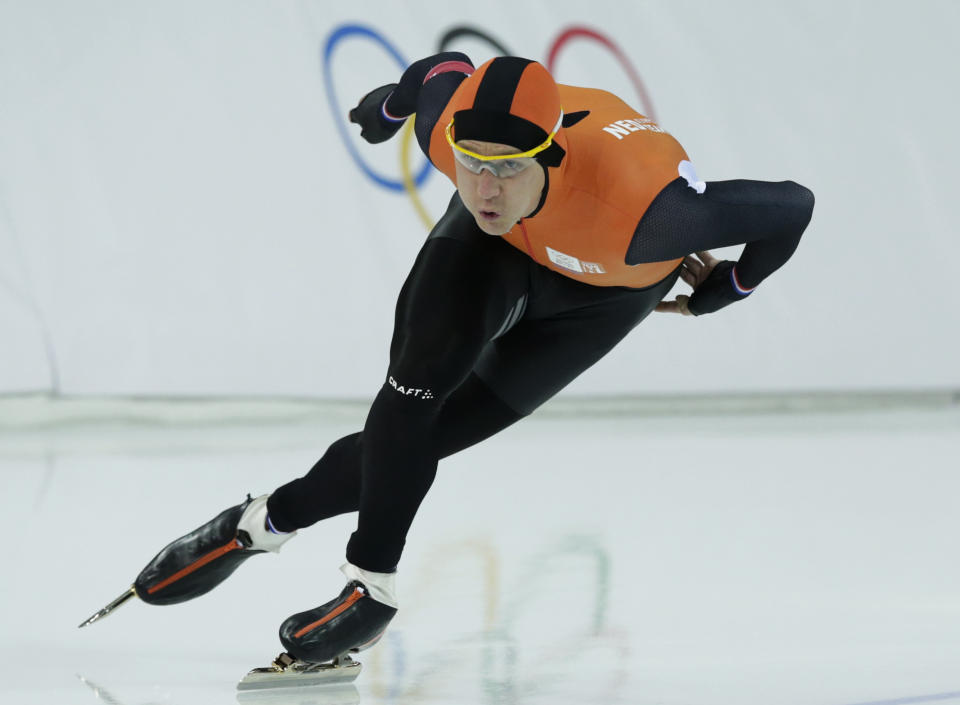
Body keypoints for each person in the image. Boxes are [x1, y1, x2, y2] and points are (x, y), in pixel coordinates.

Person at [118, 53, 814, 665]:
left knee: (436, 434)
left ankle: (269, 523)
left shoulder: (653, 215)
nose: (484, 190)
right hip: (501, 251)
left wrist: (731, 287)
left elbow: (791, 206)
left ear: (550, 155)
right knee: (413, 397)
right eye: (473, 165)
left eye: (506, 171)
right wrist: (390, 106)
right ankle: (350, 574)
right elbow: (437, 72)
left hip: (604, 294)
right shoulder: (458, 150)